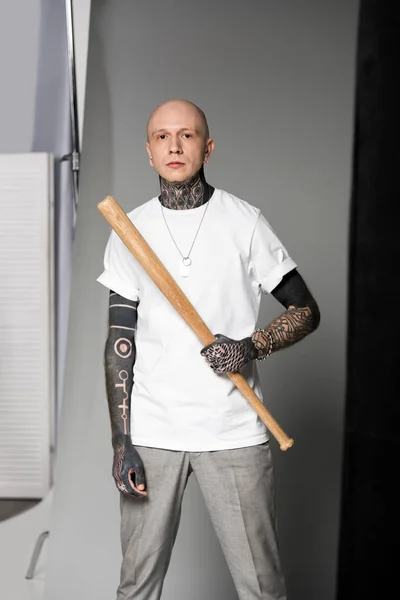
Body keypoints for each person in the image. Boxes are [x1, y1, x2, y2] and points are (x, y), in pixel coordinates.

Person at [97, 98, 320, 600]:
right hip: (152, 434)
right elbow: (119, 342)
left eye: (188, 134)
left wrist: (251, 346)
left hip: (234, 432)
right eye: (161, 136)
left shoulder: (244, 222)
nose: (174, 145)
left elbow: (306, 310)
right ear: (148, 153)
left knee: (262, 588)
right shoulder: (128, 230)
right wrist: (121, 441)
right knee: (136, 587)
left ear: (208, 147)